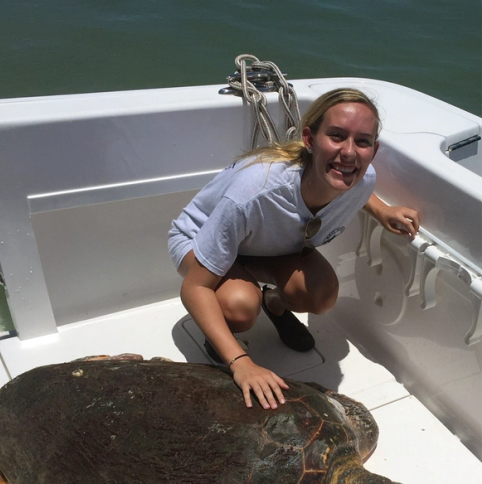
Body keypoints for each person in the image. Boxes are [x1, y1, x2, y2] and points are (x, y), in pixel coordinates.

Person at [168, 88, 419, 410]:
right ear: (310, 139)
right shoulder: (255, 192)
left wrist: (382, 210)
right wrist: (241, 362)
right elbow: (195, 288)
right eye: (337, 136)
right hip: (199, 238)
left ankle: (274, 304)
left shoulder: (363, 179)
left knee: (321, 295)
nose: (349, 152)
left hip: (265, 244)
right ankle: (222, 335)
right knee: (240, 306)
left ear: (374, 149)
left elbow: (357, 187)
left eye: (362, 141)